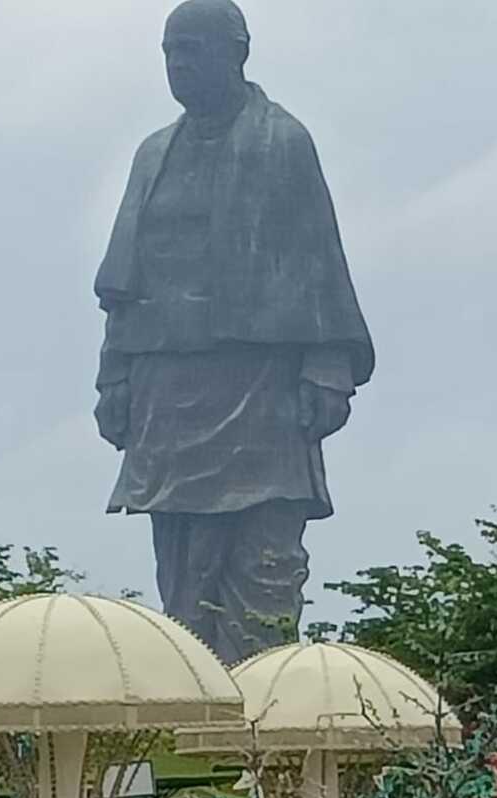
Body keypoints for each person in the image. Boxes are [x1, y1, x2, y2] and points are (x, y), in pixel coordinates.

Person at [94, 0, 375, 663]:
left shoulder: (283, 142)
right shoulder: (153, 155)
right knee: (184, 589)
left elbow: (319, 262)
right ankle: (195, 710)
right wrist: (113, 380)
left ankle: (259, 711)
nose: (178, 64)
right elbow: (124, 287)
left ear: (237, 52)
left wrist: (327, 368)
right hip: (167, 396)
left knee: (263, 576)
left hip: (260, 392)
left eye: (192, 50)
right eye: (170, 52)